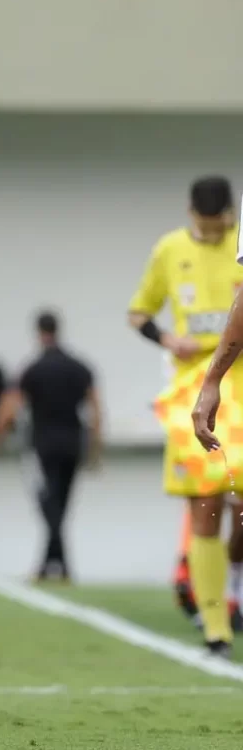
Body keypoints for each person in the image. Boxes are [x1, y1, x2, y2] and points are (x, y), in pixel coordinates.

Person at [135, 176, 242, 657]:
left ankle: (232, 587)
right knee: (206, 505)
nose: (212, 233)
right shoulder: (170, 249)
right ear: (190, 214)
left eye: (219, 225)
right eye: (204, 225)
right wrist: (165, 339)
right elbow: (139, 314)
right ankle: (216, 625)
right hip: (192, 388)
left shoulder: (241, 243)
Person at [0, 311, 102, 583]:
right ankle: (55, 567)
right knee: (61, 504)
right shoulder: (79, 367)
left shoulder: (33, 368)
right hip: (73, 442)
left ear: (39, 332)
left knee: (49, 504)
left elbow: (9, 407)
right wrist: (96, 447)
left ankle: (56, 566)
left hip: (44, 445)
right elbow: (96, 410)